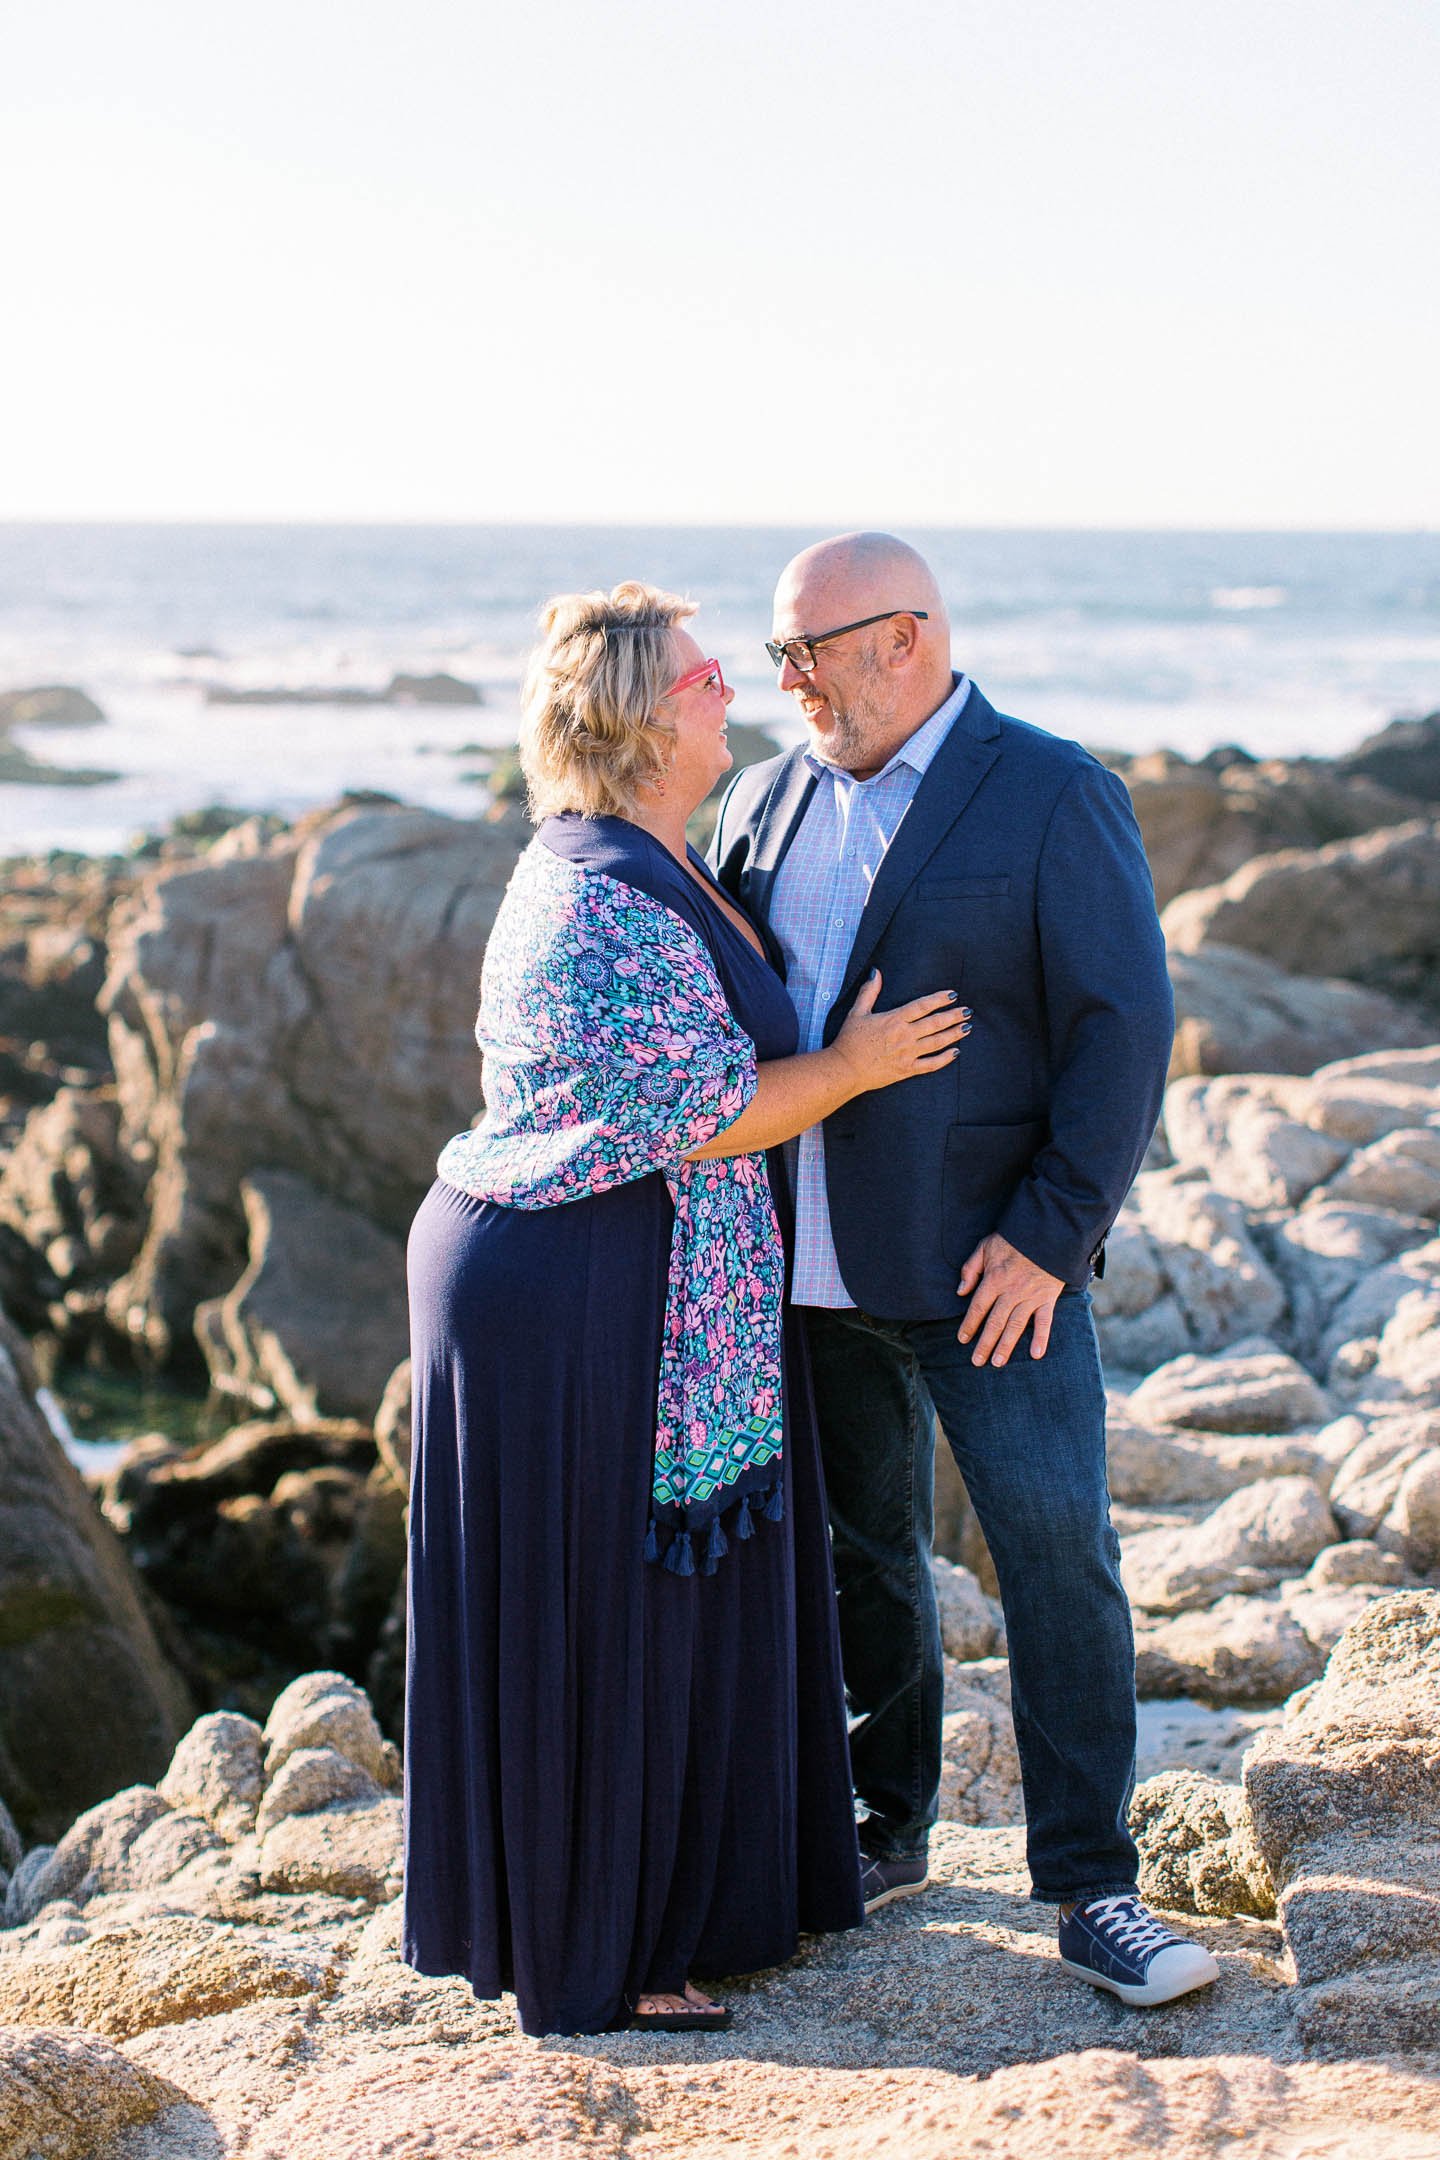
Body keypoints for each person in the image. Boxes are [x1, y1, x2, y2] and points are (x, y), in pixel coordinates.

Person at [401, 580, 970, 2037]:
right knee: (610, 1616)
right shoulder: (596, 889)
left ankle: (690, 1906)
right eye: (716, 673)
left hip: (626, 1268)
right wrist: (861, 1062)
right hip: (568, 1282)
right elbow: (705, 1110)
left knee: (663, 1604)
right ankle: (605, 1949)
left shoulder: (665, 852)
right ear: (650, 715)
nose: (749, 687)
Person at [711, 532, 1221, 2009]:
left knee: (1057, 1554)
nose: (791, 681)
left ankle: (1091, 1883)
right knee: (864, 1554)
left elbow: (1123, 1029)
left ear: (909, 636)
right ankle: (889, 1828)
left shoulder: (1053, 790)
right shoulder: (766, 795)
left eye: (814, 650)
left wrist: (1052, 1236)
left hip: (991, 1272)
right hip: (805, 1262)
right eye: (777, 655)